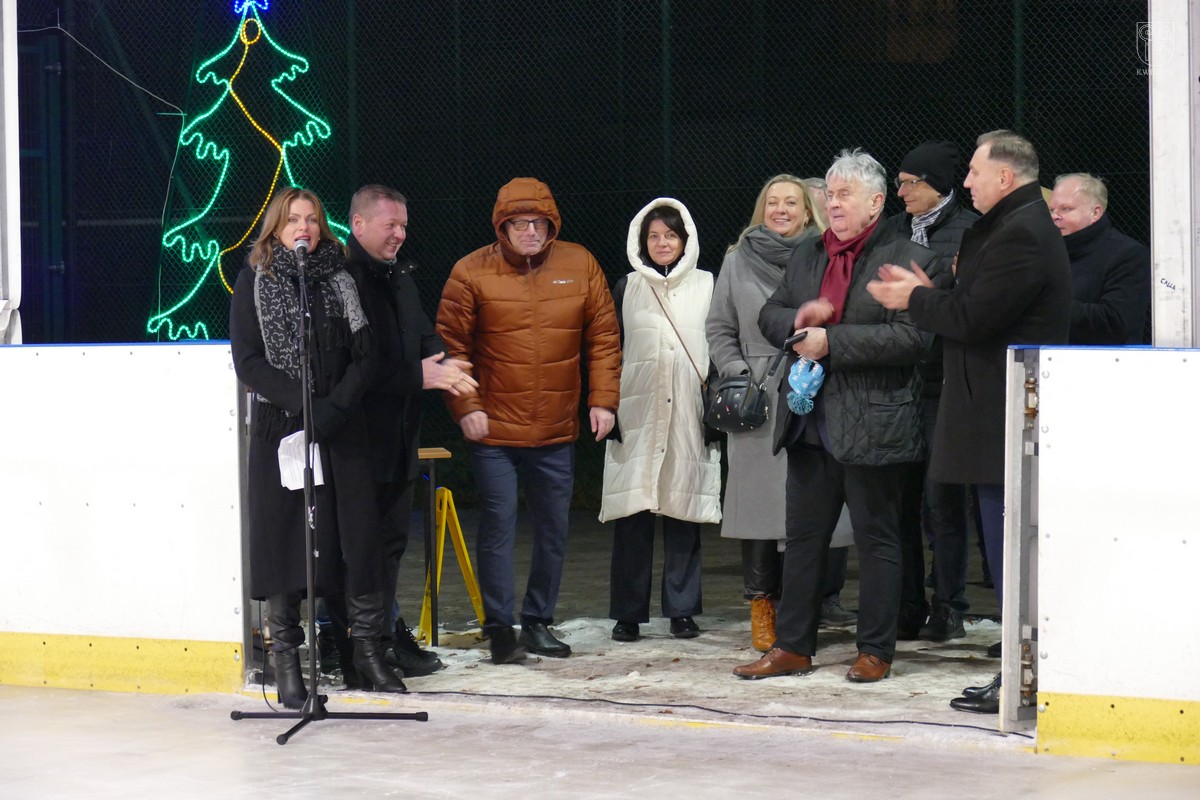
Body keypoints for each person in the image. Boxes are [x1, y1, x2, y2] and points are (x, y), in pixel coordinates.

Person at [867, 130, 1072, 713]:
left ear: (1005, 177)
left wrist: (916, 298)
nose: (966, 182)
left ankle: (1026, 677)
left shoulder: (1020, 233)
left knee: (1014, 555)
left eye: (975, 172)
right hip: (994, 416)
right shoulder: (1012, 227)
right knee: (1009, 552)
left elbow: (974, 318)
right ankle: (1019, 674)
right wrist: (935, 292)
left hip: (1001, 418)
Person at [732, 150, 936, 684]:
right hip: (808, 422)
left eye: (846, 194)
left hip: (873, 424)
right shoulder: (809, 252)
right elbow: (770, 312)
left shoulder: (907, 256)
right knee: (803, 540)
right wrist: (798, 322)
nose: (833, 203)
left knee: (877, 540)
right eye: (830, 193)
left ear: (876, 202)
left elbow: (912, 339)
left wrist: (832, 341)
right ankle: (793, 647)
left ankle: (875, 650)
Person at [229, 187, 406, 708]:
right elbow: (249, 361)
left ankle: (366, 653)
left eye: (311, 219)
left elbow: (365, 356)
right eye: (292, 220)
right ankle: (287, 662)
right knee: (285, 541)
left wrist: (333, 410)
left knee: (357, 537)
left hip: (340, 428)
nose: (303, 227)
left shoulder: (341, 278)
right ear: (277, 228)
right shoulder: (253, 280)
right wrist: (306, 408)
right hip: (282, 431)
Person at [436, 177, 622, 664]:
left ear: (551, 223)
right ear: (502, 227)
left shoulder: (580, 264)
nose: (530, 231)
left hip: (556, 429)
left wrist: (603, 400)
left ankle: (538, 622)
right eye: (519, 223)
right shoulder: (471, 271)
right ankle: (500, 629)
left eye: (538, 222)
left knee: (554, 529)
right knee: (499, 524)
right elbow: (451, 348)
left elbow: (603, 337)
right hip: (494, 429)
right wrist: (467, 407)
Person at [705, 174, 854, 653]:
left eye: (791, 202)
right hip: (757, 398)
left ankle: (800, 607)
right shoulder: (736, 259)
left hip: (810, 389)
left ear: (807, 210)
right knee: (757, 509)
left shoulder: (824, 256)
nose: (781, 210)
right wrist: (738, 372)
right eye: (773, 202)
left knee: (806, 506)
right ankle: (761, 606)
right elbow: (719, 327)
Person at [338, 184, 478, 681]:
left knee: (391, 544)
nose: (400, 234)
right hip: (356, 443)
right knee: (360, 549)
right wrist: (416, 375)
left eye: (403, 225)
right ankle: (358, 646)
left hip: (399, 438)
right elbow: (353, 367)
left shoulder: (399, 277)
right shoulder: (343, 281)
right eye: (390, 225)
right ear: (358, 224)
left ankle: (382, 638)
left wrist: (445, 361)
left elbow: (423, 336)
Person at [601, 198, 721, 642]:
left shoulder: (708, 284)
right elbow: (609, 349)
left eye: (670, 234)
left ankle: (682, 611)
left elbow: (720, 343)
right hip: (638, 412)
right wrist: (607, 403)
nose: (662, 243)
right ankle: (627, 613)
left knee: (682, 508)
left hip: (688, 410)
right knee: (632, 513)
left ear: (686, 238)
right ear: (641, 241)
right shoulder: (627, 287)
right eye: (653, 236)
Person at [878, 141, 979, 642]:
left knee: (943, 502)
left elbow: (972, 304)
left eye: (909, 183)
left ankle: (948, 604)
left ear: (936, 184)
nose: (901, 192)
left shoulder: (971, 231)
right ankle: (908, 603)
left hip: (945, 382)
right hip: (899, 380)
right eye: (898, 182)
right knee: (901, 499)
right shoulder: (892, 230)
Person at [1049, 172, 1150, 345]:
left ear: (1095, 212)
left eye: (1066, 209)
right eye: (1052, 210)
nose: (1055, 216)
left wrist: (1047, 307)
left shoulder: (1128, 254)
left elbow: (1116, 322)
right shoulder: (1048, 252)